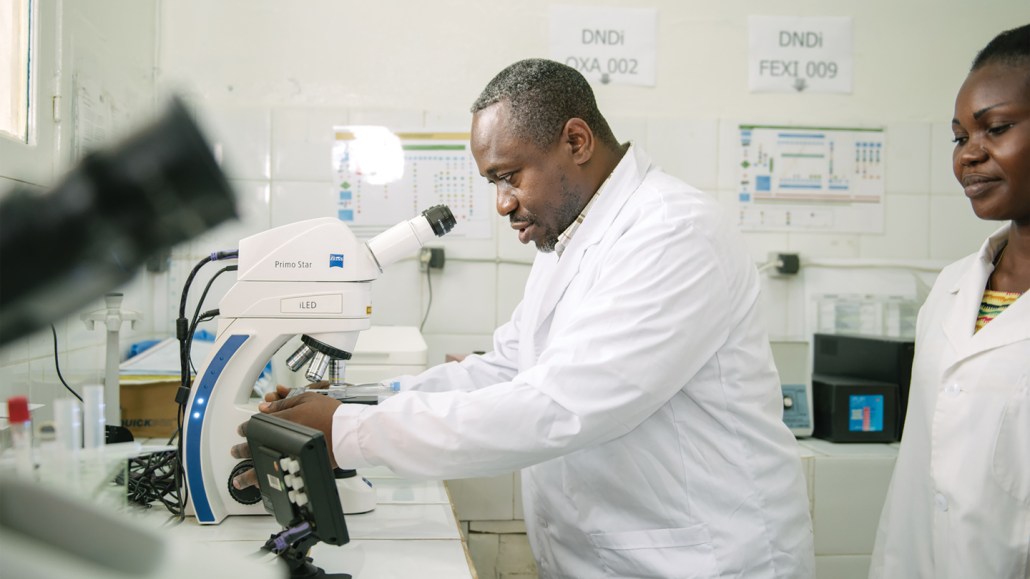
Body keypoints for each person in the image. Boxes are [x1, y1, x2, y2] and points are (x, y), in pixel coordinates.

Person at [233, 58, 815, 578]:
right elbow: (509, 368)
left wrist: (348, 434)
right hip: (612, 554)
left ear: (577, 141)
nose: (502, 203)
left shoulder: (674, 232)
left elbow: (562, 405)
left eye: (510, 176)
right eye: (493, 182)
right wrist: (352, 406)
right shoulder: (572, 236)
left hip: (701, 560)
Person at [869, 25, 1030, 579]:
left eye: (997, 128)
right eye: (960, 137)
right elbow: (917, 482)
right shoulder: (951, 288)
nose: (970, 155)